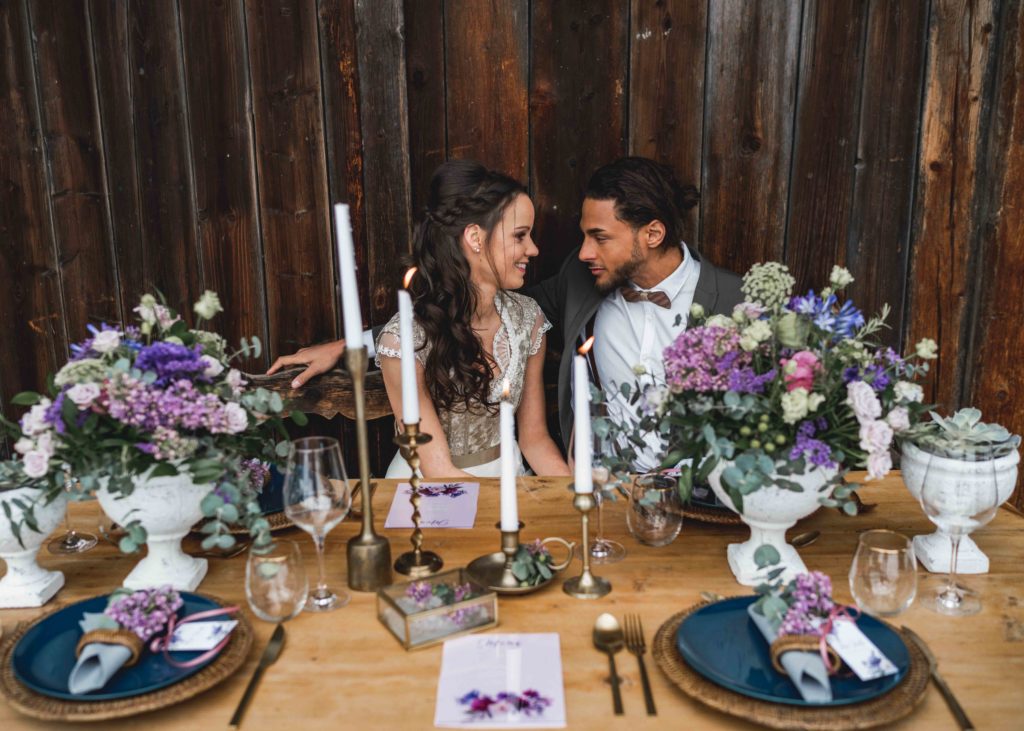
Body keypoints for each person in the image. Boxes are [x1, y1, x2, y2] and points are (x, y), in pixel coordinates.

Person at [270, 156, 743, 472]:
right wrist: (349, 342)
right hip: (591, 489)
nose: (580, 253)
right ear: (476, 238)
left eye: (599, 237)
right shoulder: (579, 283)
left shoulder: (739, 306)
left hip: (699, 496)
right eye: (522, 236)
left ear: (652, 234)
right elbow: (444, 316)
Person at [271, 161, 569, 479]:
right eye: (520, 236)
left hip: (510, 478)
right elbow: (439, 470)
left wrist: (575, 502)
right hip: (428, 491)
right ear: (475, 238)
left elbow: (535, 440)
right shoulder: (402, 341)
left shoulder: (528, 319)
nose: (533, 249)